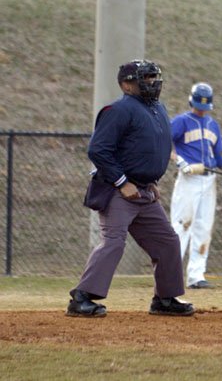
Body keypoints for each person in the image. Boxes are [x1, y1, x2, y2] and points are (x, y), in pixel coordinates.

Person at [67, 60, 195, 318]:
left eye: (153, 77)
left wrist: (152, 182)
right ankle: (80, 298)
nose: (151, 82)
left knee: (168, 242)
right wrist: (122, 182)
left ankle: (164, 299)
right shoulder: (118, 110)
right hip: (118, 191)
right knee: (114, 242)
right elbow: (98, 150)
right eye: (144, 78)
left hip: (145, 192)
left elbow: (147, 149)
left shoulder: (158, 107)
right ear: (127, 84)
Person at [170, 82, 222, 289]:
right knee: (182, 226)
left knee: (203, 228)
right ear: (192, 101)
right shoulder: (181, 121)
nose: (202, 109)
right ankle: (169, 275)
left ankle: (196, 276)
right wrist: (180, 162)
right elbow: (162, 145)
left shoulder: (212, 125)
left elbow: (218, 159)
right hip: (189, 179)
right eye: (199, 105)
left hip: (209, 180)